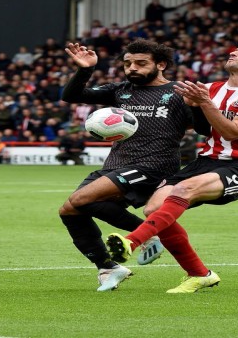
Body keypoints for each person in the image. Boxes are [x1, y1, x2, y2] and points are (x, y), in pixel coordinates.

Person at [106, 41, 238, 293]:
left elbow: (233, 132)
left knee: (183, 190)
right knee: (154, 208)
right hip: (205, 161)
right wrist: (194, 105)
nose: (234, 51)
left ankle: (132, 241)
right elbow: (201, 127)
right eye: (235, 50)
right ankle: (200, 274)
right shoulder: (211, 88)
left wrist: (204, 102)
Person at [59, 39, 207, 292]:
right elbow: (71, 96)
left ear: (161, 64)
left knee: (82, 198)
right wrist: (85, 69)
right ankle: (108, 268)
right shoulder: (121, 89)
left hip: (154, 165)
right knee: (70, 210)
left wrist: (200, 106)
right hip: (117, 163)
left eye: (140, 63)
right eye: (127, 63)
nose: (132, 68)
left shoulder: (178, 93)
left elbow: (204, 129)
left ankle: (146, 235)